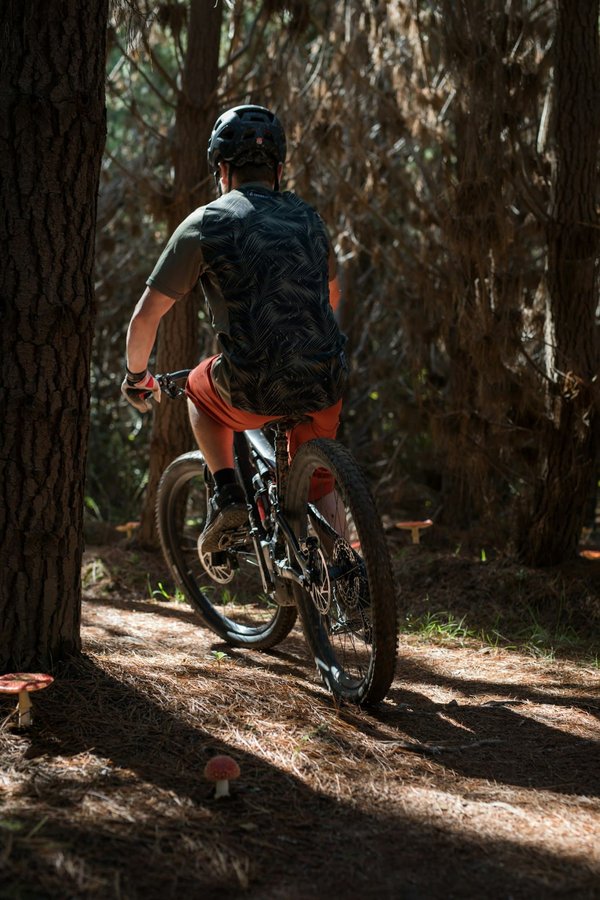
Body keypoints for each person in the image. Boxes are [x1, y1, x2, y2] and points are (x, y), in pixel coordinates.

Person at [122, 104, 347, 552]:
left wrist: (136, 377)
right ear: (279, 169)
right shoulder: (310, 220)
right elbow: (332, 297)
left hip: (249, 387)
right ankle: (347, 575)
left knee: (196, 391)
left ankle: (228, 495)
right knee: (321, 478)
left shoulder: (206, 223)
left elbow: (146, 317)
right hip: (324, 380)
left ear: (221, 169)